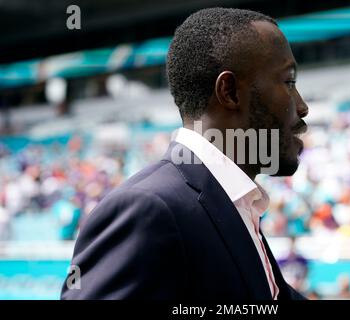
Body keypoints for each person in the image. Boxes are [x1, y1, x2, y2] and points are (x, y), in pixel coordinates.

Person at [61, 7, 309, 300]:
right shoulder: (149, 209)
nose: (302, 105)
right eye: (289, 82)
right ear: (229, 92)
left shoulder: (235, 202)